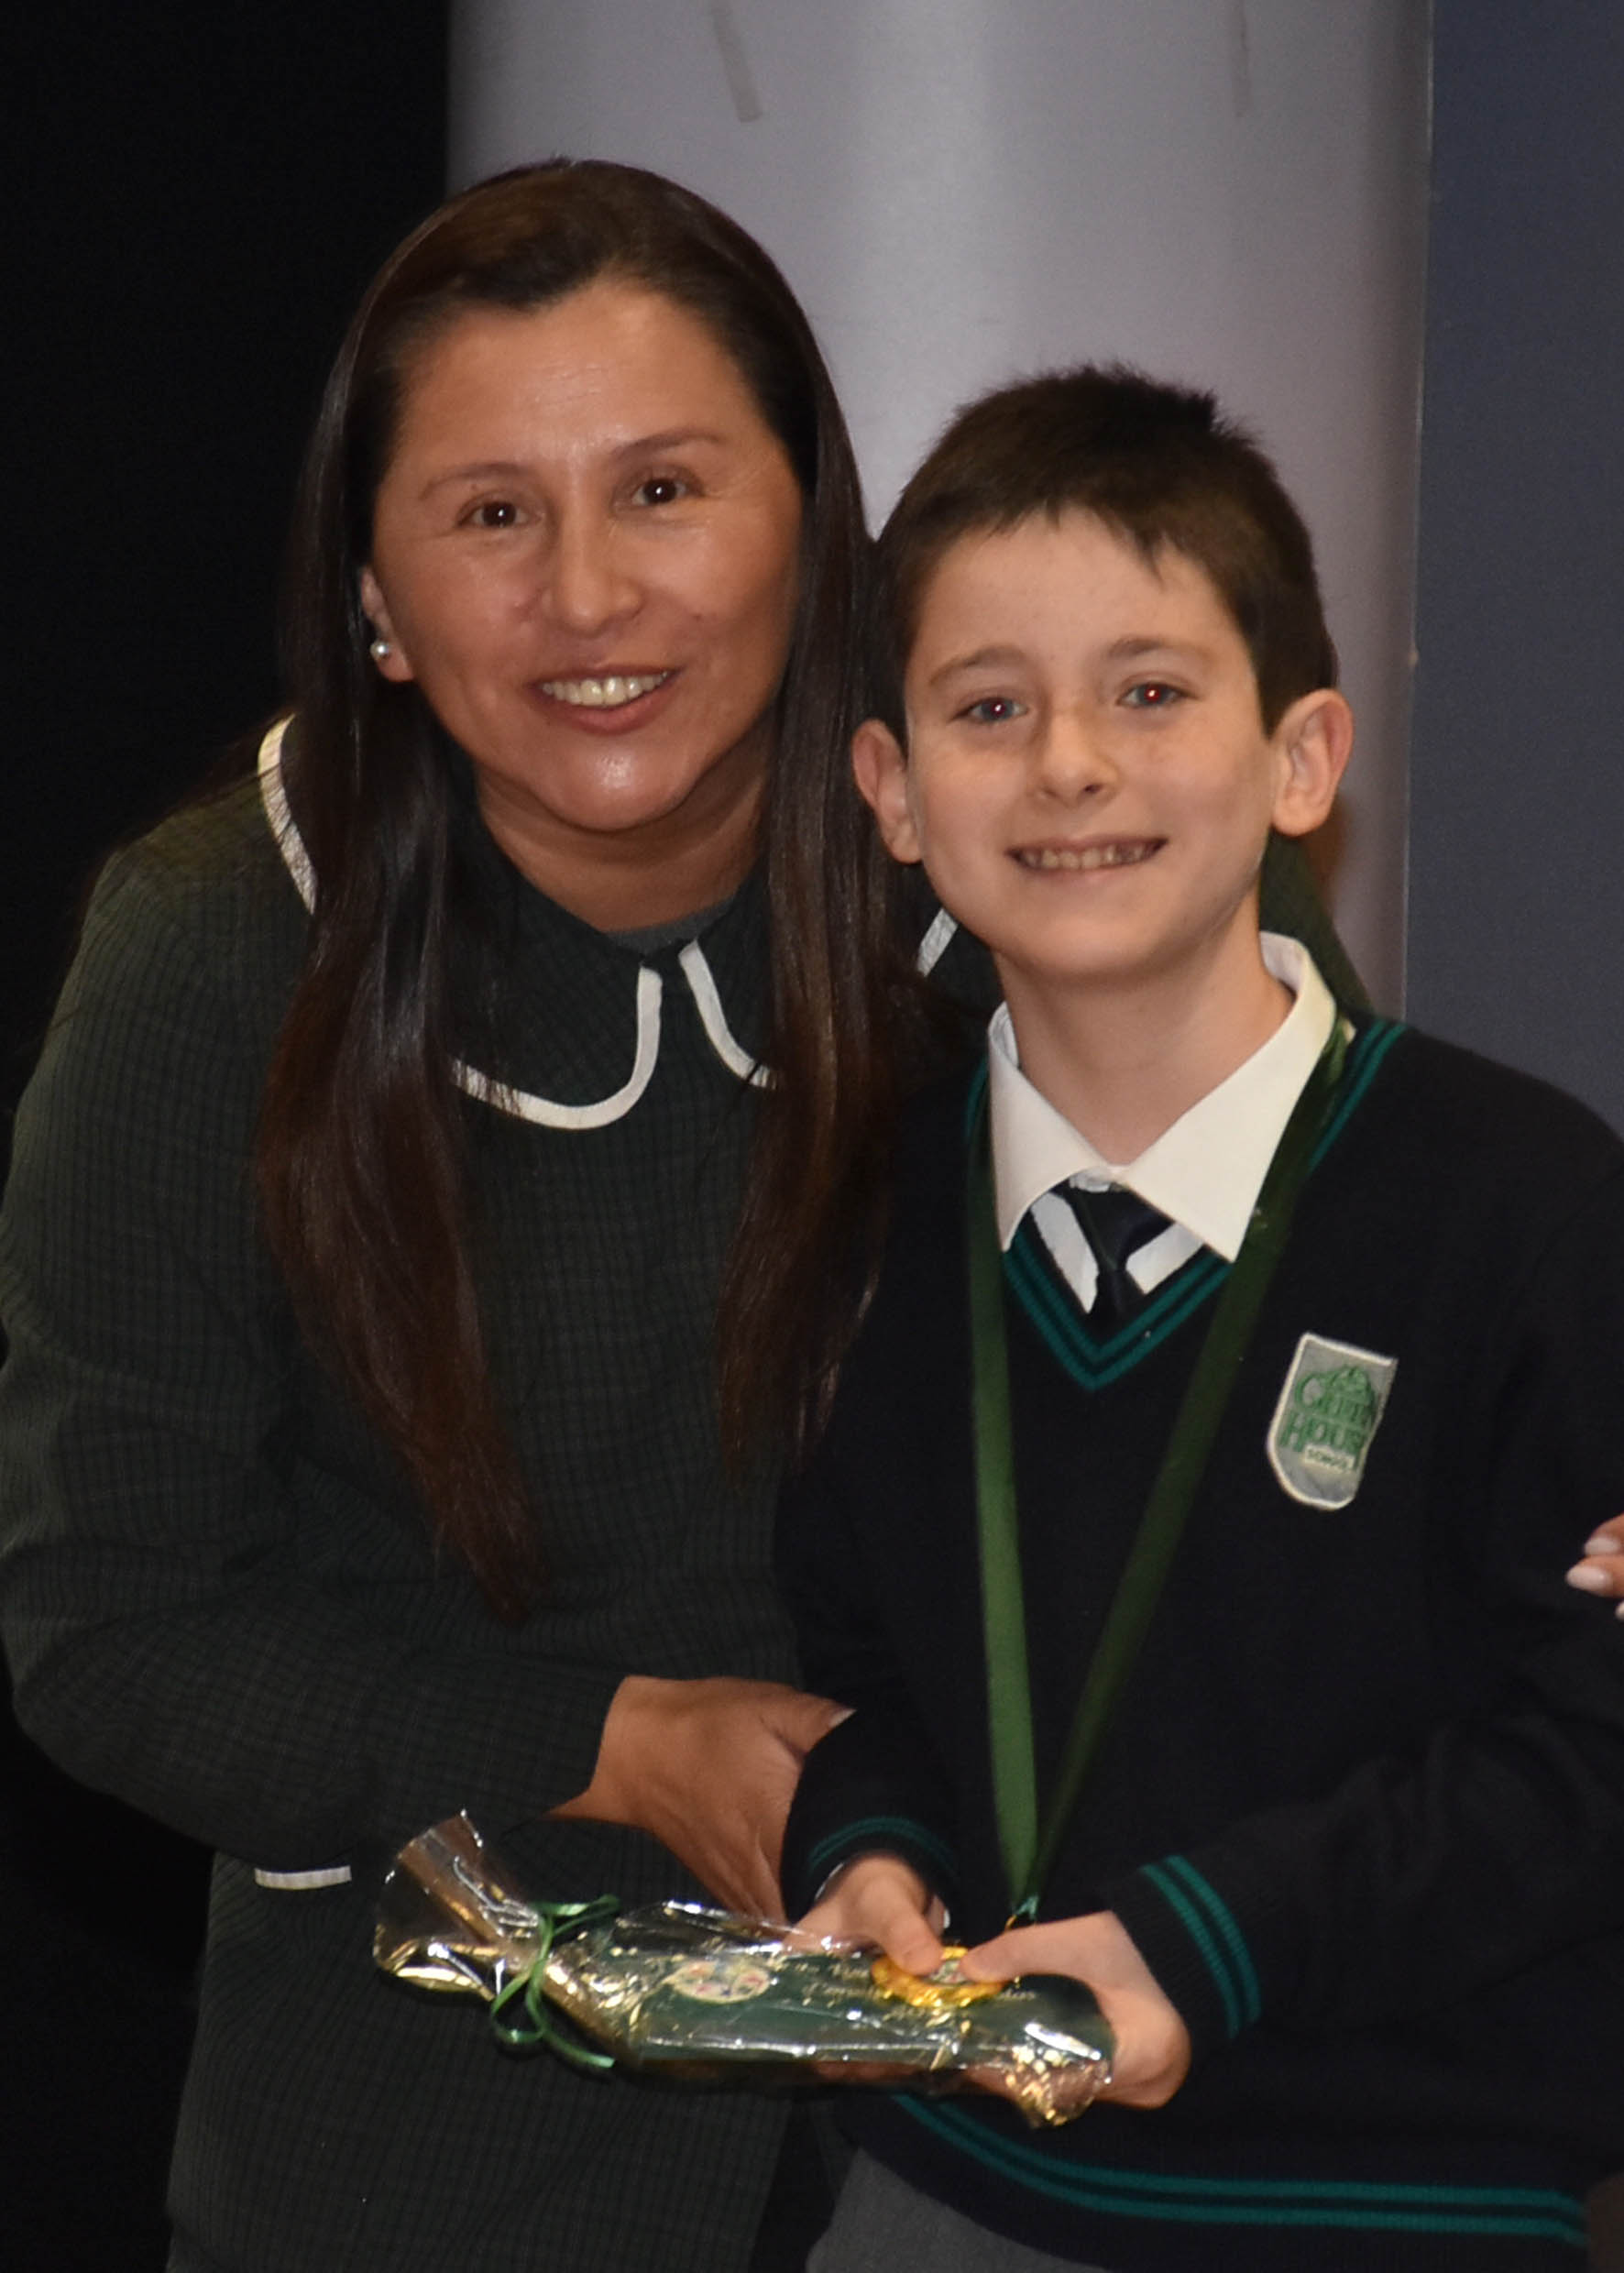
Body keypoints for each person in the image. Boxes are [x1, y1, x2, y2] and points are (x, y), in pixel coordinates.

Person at [0, 162, 1355, 2268]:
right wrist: (614, 1747)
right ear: (373, 598)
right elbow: (112, 1627)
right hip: (423, 2164)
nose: (588, 595)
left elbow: (1349, 1328)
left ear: (814, 529)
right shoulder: (218, 950)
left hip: (1031, 2135)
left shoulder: (1030, 849)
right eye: (490, 513)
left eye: (660, 490)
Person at [773, 367, 1624, 2271]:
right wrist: (872, 1857)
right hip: (945, 2194)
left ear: (1302, 759)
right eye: (990, 707)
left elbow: (1591, 1738)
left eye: (1150, 693)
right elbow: (867, 1671)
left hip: (1392, 2199)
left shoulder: (1522, 1206)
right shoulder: (871, 1214)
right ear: (890, 791)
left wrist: (1208, 1944)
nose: (1069, 765)